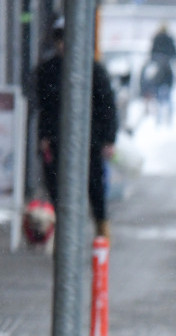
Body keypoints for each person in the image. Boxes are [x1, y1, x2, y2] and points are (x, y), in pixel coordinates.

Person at [32, 21, 118, 240]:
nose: (63, 46)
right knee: (56, 187)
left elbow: (107, 105)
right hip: (57, 139)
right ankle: (62, 232)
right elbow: (44, 108)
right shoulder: (48, 71)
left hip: (90, 140)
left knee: (94, 185)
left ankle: (101, 226)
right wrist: (43, 136)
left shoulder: (93, 70)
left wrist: (108, 138)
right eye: (60, 41)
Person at [147, 23, 176, 124]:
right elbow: (175, 54)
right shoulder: (170, 39)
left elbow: (151, 54)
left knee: (158, 97)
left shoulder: (157, 39)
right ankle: (168, 118)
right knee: (168, 97)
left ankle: (159, 119)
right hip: (167, 72)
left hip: (159, 72)